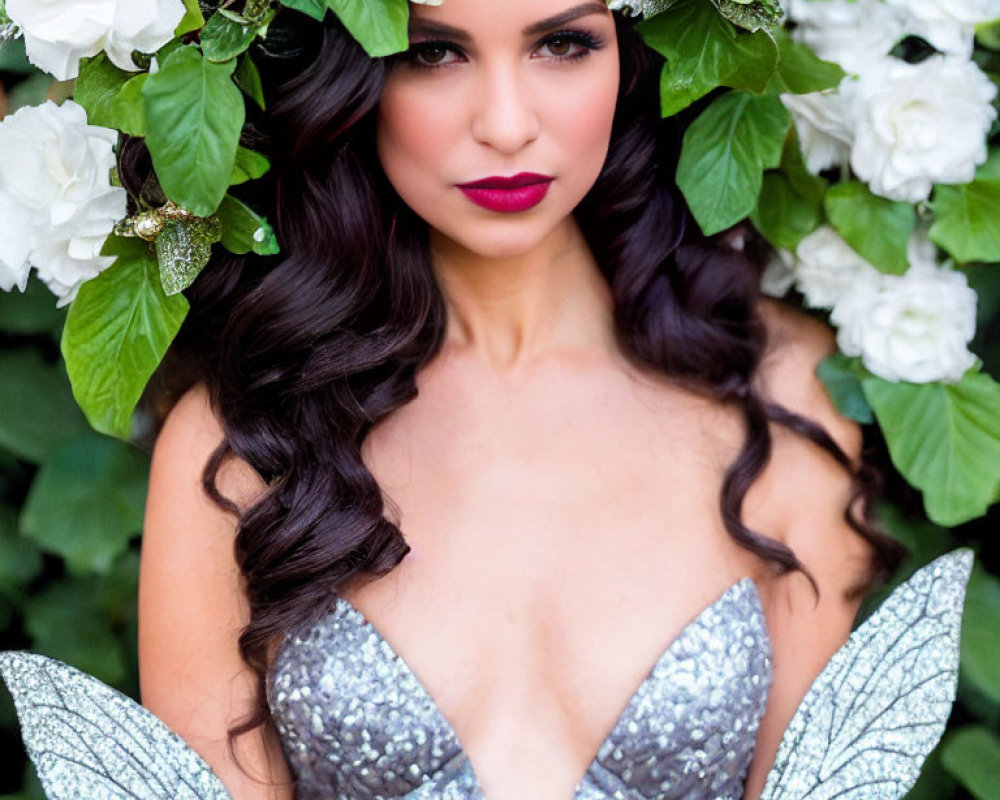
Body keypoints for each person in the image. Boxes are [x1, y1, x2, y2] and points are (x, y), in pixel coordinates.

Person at [0, 2, 972, 800]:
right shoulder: (241, 441)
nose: (506, 124)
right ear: (353, 76)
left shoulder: (783, 397)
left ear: (632, 60)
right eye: (433, 51)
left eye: (563, 42)